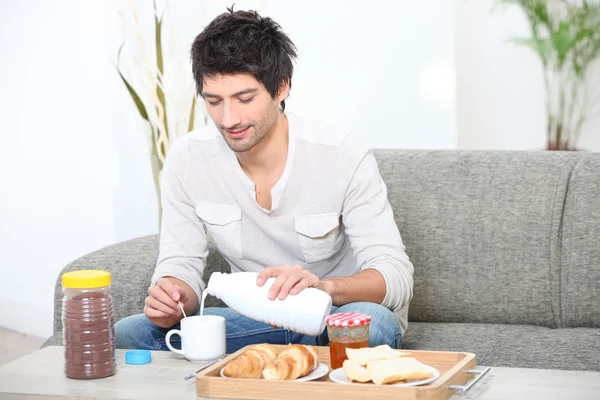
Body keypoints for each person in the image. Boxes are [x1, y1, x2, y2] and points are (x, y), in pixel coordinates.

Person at [115, 7, 414, 353]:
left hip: (337, 313)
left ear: (282, 87)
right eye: (214, 101)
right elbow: (180, 265)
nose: (229, 119)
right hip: (257, 319)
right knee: (132, 333)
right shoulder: (188, 160)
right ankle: (290, 356)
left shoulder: (342, 153)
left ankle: (278, 355)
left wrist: (324, 288)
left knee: (373, 327)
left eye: (245, 98)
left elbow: (395, 274)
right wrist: (173, 295)